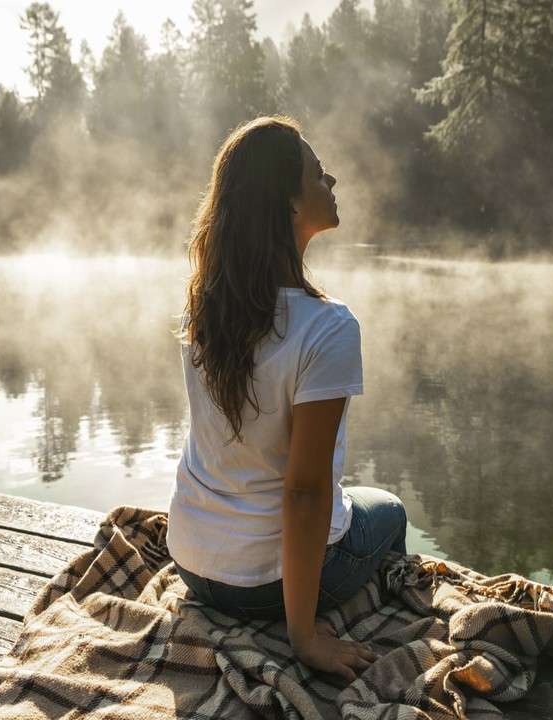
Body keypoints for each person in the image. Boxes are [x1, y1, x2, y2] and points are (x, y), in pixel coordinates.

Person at [168, 116, 408, 681]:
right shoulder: (327, 327)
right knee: (391, 511)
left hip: (192, 562)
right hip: (265, 585)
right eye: (320, 175)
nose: (334, 181)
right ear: (290, 205)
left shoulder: (203, 310)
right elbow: (303, 493)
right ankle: (375, 608)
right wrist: (304, 639)